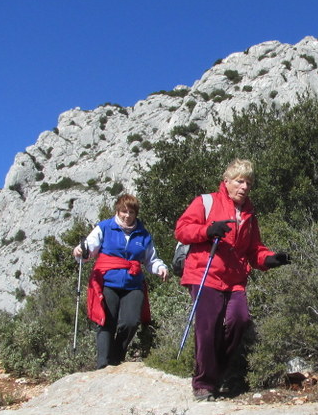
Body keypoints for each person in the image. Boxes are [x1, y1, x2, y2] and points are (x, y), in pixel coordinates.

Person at [175, 159, 291, 401]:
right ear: (226, 182)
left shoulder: (249, 213)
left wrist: (270, 259)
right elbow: (182, 230)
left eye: (248, 182)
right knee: (208, 329)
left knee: (240, 320)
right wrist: (207, 230)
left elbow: (254, 249)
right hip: (204, 273)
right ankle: (204, 384)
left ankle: (216, 373)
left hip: (235, 279)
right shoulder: (206, 202)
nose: (245, 186)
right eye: (240, 181)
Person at [74, 194, 169, 368]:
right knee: (106, 321)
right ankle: (103, 364)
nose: (127, 215)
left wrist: (160, 268)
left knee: (131, 322)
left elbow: (151, 259)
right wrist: (81, 251)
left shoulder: (143, 235)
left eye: (131, 212)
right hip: (107, 282)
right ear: (117, 211)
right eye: (123, 211)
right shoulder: (104, 228)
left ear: (136, 214)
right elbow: (89, 248)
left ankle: (116, 357)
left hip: (133, 284)